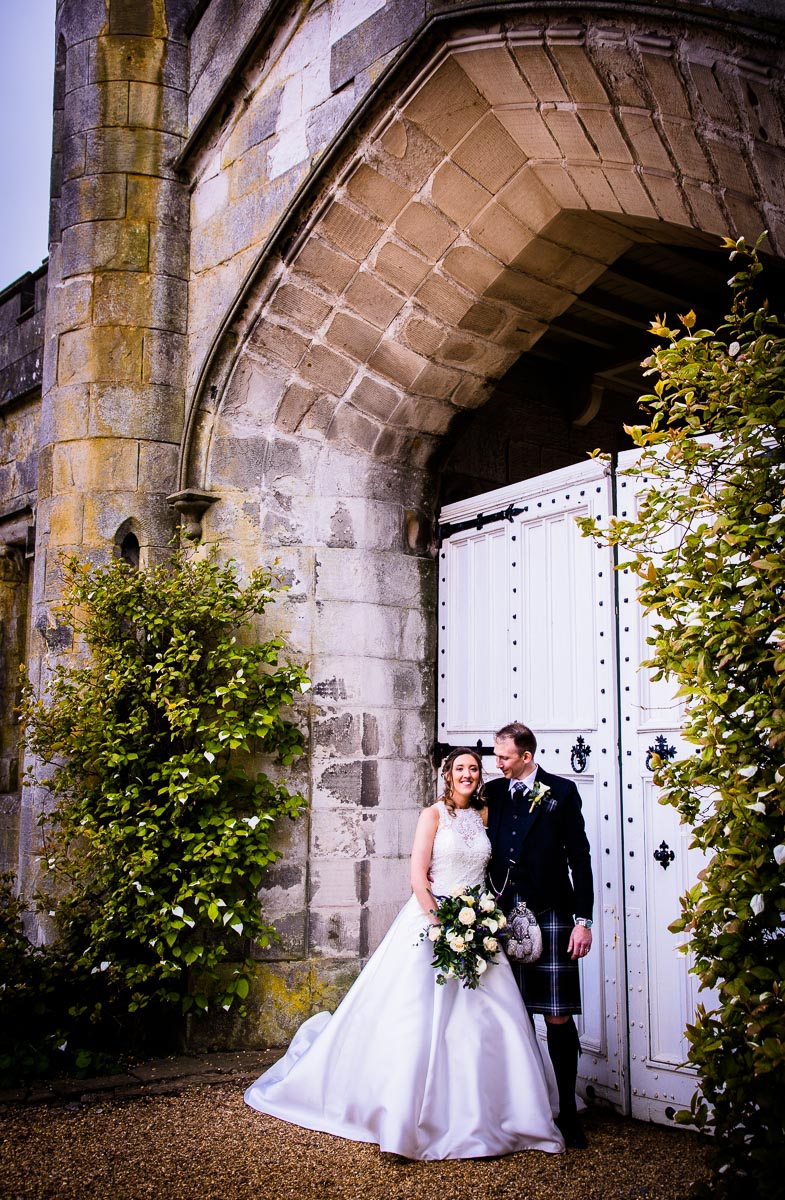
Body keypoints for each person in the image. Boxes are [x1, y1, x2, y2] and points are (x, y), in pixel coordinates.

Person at [244, 747, 564, 1160]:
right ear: (447, 774)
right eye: (460, 768)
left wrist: (483, 918)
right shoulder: (433, 815)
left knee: (493, 1018)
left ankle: (498, 1112)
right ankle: (403, 1117)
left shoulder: (486, 815)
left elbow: (499, 865)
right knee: (412, 1018)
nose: (467, 774)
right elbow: (417, 875)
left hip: (478, 921)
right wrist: (440, 923)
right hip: (433, 919)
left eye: (473, 768)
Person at [484, 721, 594, 1149]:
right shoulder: (493, 793)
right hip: (500, 917)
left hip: (551, 913)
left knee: (557, 1015)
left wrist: (583, 921)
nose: (497, 763)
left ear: (526, 756)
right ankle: (519, 1109)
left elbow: (580, 859)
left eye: (504, 757)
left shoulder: (561, 792)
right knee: (510, 1014)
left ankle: (566, 1111)